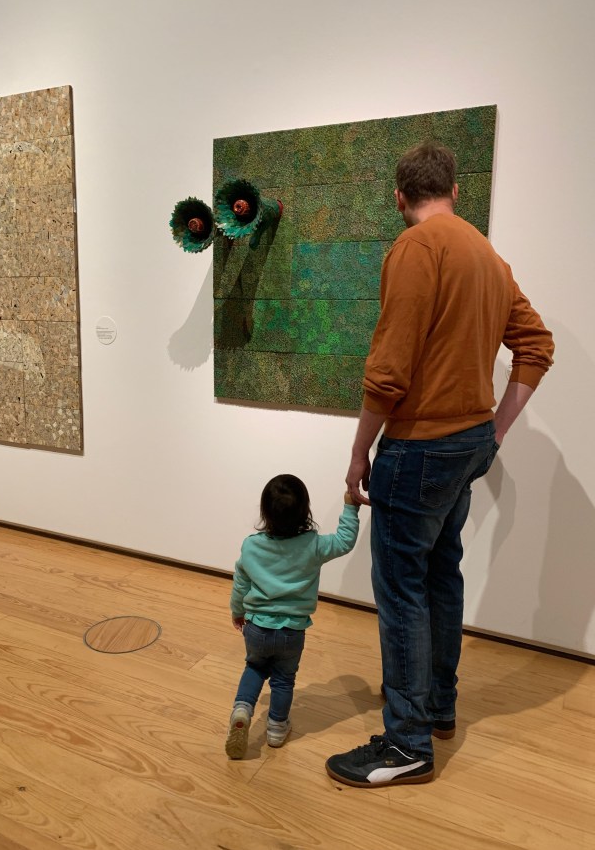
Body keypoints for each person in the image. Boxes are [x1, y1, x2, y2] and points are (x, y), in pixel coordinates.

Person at [325, 141, 554, 788]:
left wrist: (357, 451)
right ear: (453, 189)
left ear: (400, 198)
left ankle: (405, 744)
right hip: (466, 444)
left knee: (400, 593)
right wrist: (496, 432)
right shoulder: (487, 254)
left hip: (420, 446)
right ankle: (437, 708)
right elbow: (536, 344)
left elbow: (389, 372)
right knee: (440, 575)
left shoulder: (414, 249)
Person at [226, 474, 360, 759]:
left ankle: (242, 709)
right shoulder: (313, 545)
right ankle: (276, 729)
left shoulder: (251, 546)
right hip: (292, 632)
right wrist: (350, 506)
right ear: (305, 511)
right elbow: (345, 541)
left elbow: (240, 584)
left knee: (254, 668)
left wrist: (237, 612)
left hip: (256, 628)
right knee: (284, 680)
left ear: (264, 512)